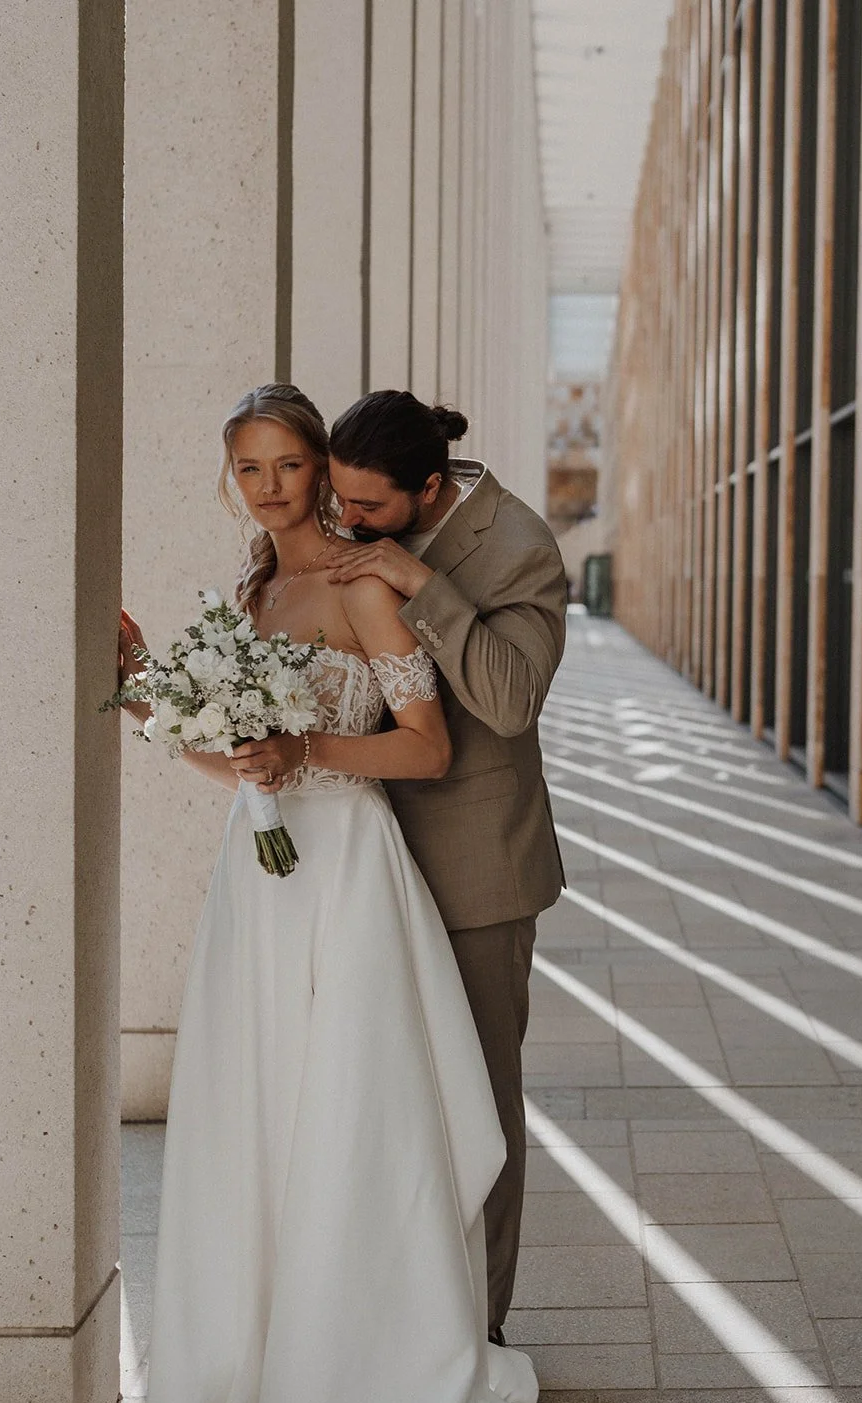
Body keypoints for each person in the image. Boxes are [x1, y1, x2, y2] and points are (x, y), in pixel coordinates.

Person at [120, 383, 556, 1403]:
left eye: (292, 467)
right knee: (263, 1104)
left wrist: (303, 755)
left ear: (326, 469)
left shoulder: (388, 573)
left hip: (376, 865)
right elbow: (228, 752)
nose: (275, 491)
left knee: (392, 1107)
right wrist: (146, 689)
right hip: (265, 877)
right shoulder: (253, 587)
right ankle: (270, 1342)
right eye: (250, 470)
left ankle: (425, 1339)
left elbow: (445, 737)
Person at [245, 391, 568, 1341]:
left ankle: (478, 1327)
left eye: (370, 509)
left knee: (475, 1102)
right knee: (375, 1099)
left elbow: (508, 702)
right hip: (358, 864)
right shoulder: (340, 520)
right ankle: (387, 1317)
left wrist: (420, 585)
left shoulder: (519, 544)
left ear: (429, 490)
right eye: (335, 496)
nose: (345, 519)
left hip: (474, 868)